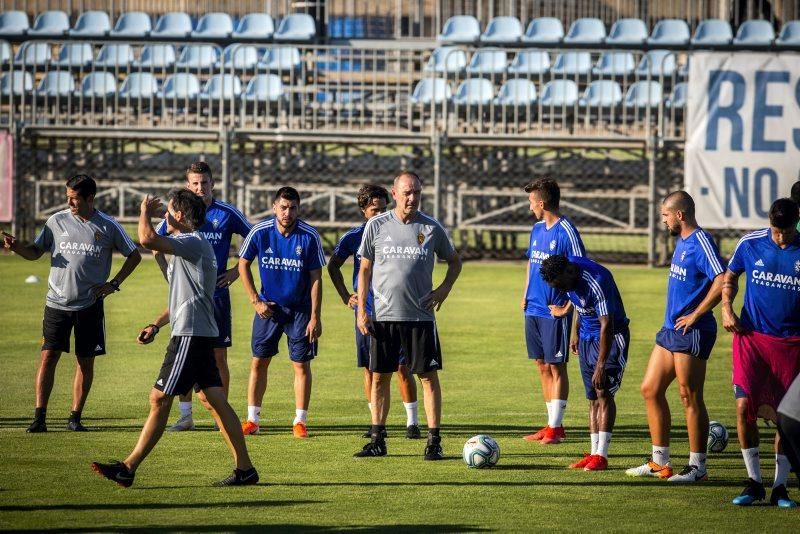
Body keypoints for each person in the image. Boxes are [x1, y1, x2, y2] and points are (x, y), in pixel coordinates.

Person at [91, 190, 258, 487]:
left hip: (190, 336)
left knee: (159, 398)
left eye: (168, 211)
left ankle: (127, 468)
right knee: (213, 399)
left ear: (180, 216)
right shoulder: (187, 245)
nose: (164, 215)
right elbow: (180, 293)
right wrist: (156, 324)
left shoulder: (192, 242)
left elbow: (146, 239)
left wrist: (144, 212)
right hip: (194, 332)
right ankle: (245, 470)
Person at [2, 174, 141, 433]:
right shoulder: (56, 221)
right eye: (67, 197)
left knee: (85, 361)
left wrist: (114, 283)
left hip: (90, 305)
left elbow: (134, 255)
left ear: (90, 198)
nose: (69, 203)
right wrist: (17, 247)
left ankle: (75, 417)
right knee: (48, 357)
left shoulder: (109, 226)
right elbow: (35, 252)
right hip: (56, 303)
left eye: (74, 198)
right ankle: (39, 417)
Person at [353, 171, 462, 460]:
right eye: (406, 193)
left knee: (427, 378)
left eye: (416, 193)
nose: (412, 198)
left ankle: (434, 441)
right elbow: (364, 269)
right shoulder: (376, 225)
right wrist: (362, 310)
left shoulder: (431, 228)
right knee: (379, 378)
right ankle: (377, 440)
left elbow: (454, 261)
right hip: (384, 316)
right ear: (395, 193)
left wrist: (443, 289)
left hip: (420, 318)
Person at [626, 191, 725, 483]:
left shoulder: (701, 241)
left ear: (680, 215)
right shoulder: (681, 242)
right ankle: (660, 462)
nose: (663, 221)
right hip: (671, 329)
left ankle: (698, 468)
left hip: (692, 331)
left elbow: (722, 278)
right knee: (650, 389)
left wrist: (696, 314)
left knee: (689, 396)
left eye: (665, 215)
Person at [154, 162, 252, 431]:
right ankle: (186, 416)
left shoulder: (227, 213)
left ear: (213, 184)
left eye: (204, 183)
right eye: (195, 183)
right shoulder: (178, 216)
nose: (200, 188)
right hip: (188, 296)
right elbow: (154, 245)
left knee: (218, 356)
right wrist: (169, 276)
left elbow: (255, 240)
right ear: (188, 185)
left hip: (217, 295)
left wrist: (234, 272)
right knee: (184, 353)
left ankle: (221, 415)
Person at [723, 198, 800, 508]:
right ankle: (754, 481)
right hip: (751, 338)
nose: (779, 237)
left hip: (791, 345)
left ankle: (780, 488)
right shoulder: (750, 242)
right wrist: (727, 309)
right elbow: (730, 277)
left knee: (786, 418)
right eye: (775, 230)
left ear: (796, 222)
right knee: (743, 407)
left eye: (785, 231)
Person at [328, 184, 421, 439]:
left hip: (395, 309)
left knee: (403, 367)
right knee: (371, 369)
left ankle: (412, 422)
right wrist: (347, 295)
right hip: (367, 312)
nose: (380, 215)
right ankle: (376, 424)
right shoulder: (354, 237)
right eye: (373, 210)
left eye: (383, 209)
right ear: (363, 211)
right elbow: (333, 265)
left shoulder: (397, 232)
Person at [238, 186, 324, 438]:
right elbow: (243, 264)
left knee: (300, 365)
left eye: (293, 208)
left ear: (299, 209)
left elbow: (316, 278)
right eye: (283, 207)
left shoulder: (309, 236)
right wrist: (256, 300)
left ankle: (300, 421)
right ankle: (252, 419)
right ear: (274, 207)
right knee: (259, 362)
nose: (287, 213)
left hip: (300, 311)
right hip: (269, 309)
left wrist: (315, 316)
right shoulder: (260, 231)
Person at [540, 254, 629, 471]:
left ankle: (603, 456)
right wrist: (576, 331)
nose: (561, 290)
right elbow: (580, 303)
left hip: (609, 338)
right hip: (587, 338)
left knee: (603, 393)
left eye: (560, 285)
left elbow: (607, 324)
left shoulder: (598, 280)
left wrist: (601, 365)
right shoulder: (565, 273)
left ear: (569, 273)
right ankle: (593, 453)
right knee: (591, 397)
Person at [521, 178, 585, 444]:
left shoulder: (567, 230)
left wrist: (569, 307)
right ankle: (550, 424)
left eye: (531, 202)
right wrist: (525, 293)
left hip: (554, 310)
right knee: (542, 365)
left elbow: (583, 271)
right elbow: (531, 264)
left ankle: (557, 428)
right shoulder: (537, 229)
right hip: (533, 308)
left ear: (542, 202)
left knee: (556, 366)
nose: (530, 207)